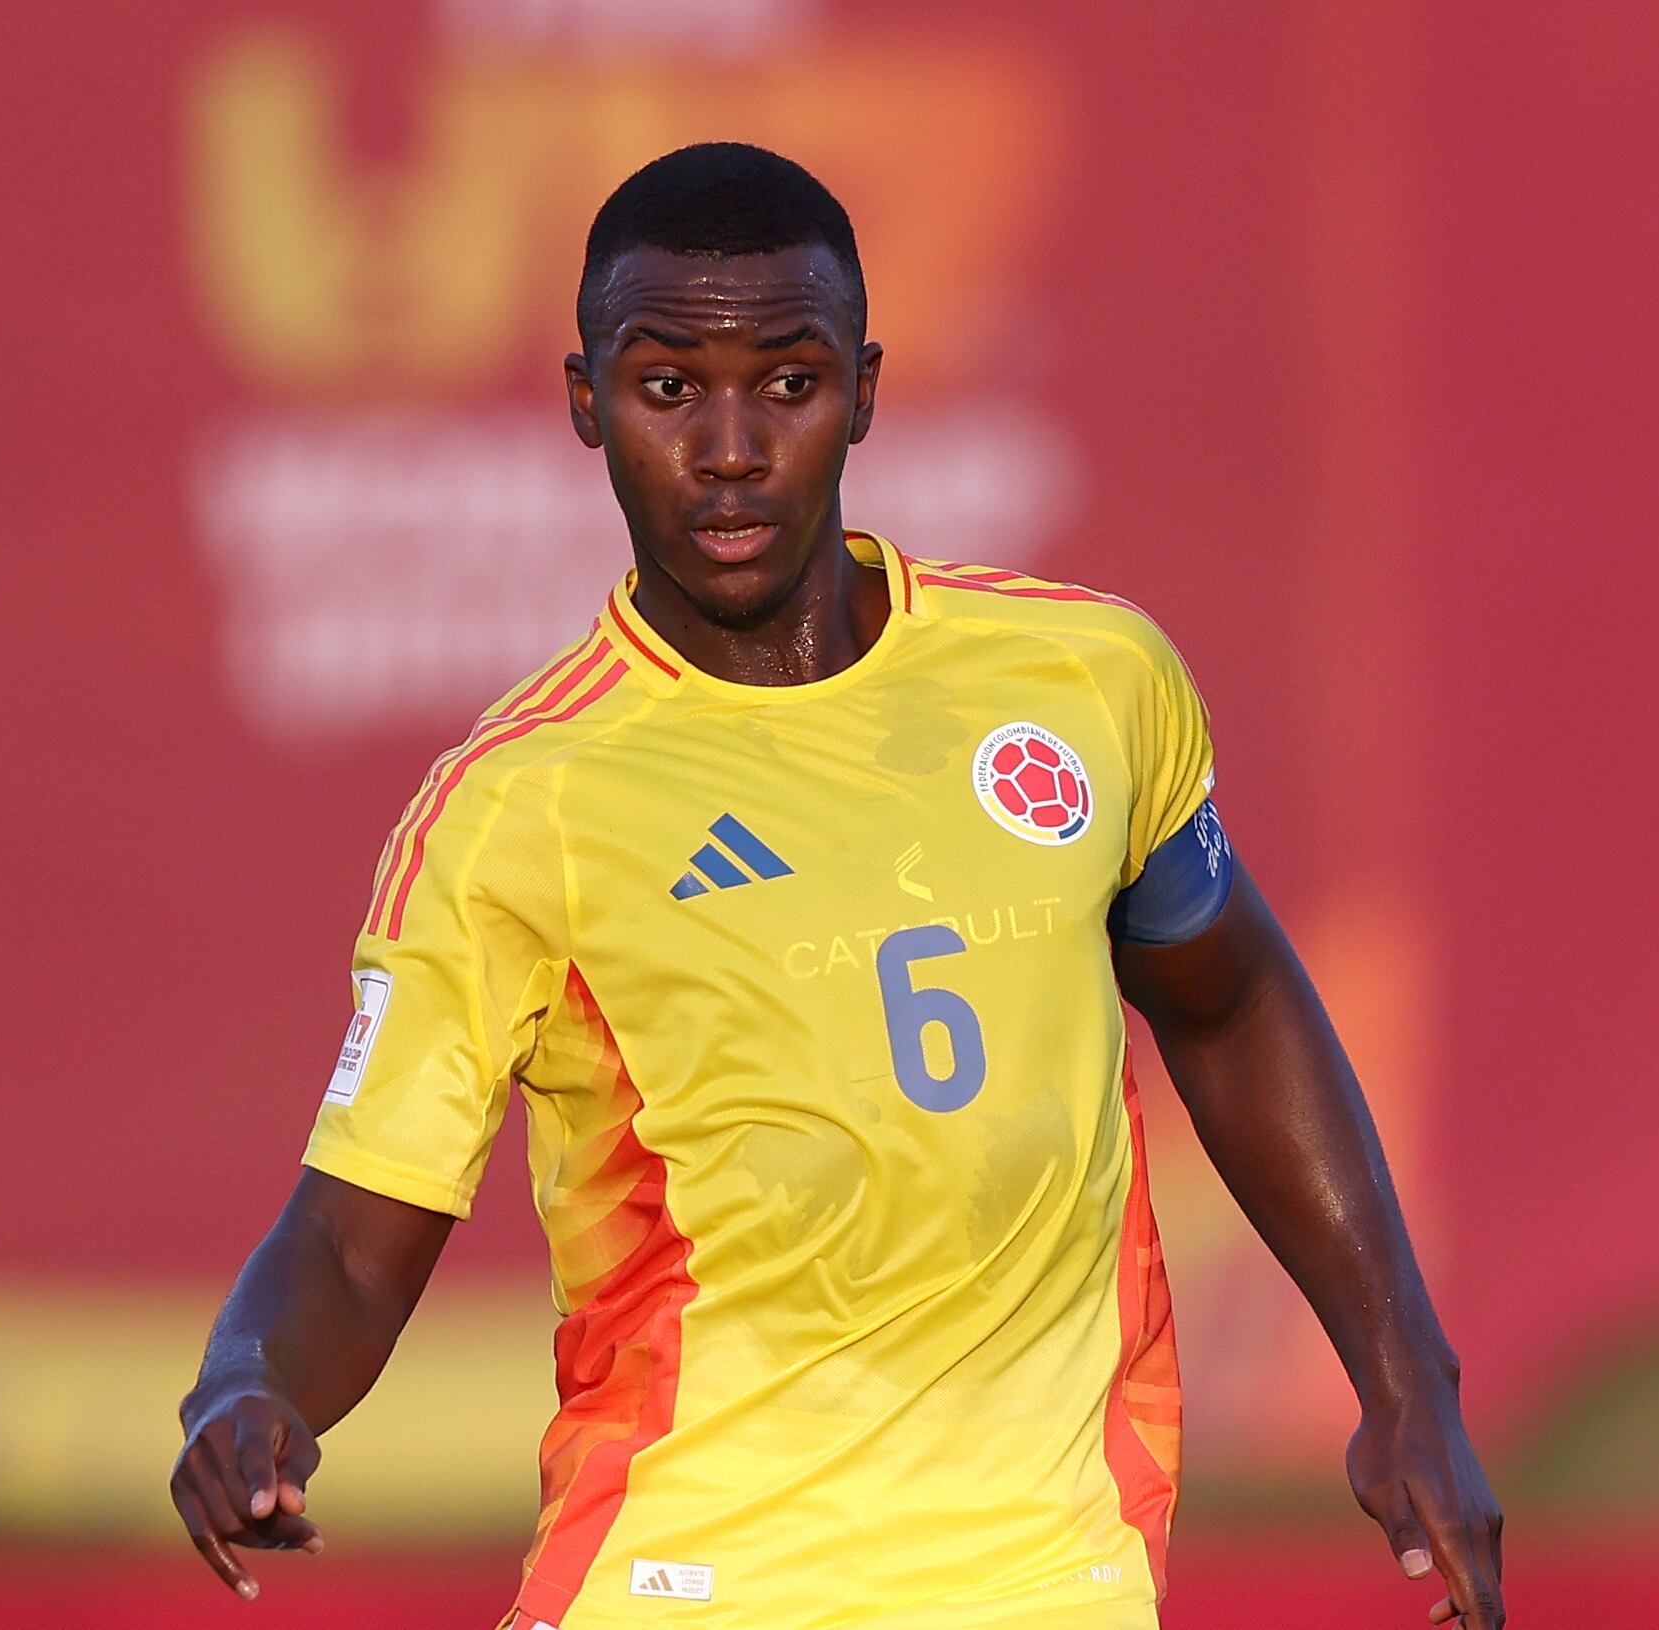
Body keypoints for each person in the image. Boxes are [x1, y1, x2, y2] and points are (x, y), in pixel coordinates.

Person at [171, 142, 1505, 1630]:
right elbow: (355, 1237)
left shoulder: (1081, 681)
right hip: (688, 1580)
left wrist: (1404, 1377)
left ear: (863, 391)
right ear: (583, 402)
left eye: (786, 383)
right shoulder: (518, 806)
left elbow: (1231, 997)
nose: (729, 446)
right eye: (668, 387)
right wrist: (249, 1386)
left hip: (1042, 1576)